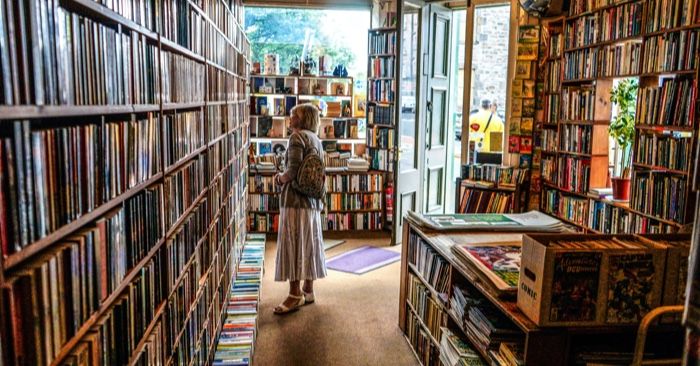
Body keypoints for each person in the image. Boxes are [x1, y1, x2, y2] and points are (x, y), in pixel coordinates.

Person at [273, 103, 327, 314]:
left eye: (294, 114)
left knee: (293, 245)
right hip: (312, 201)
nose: (290, 116)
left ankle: (294, 295)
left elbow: (292, 172)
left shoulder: (296, 138)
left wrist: (278, 179)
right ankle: (309, 290)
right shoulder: (317, 140)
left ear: (303, 119)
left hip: (295, 203)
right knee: (309, 244)